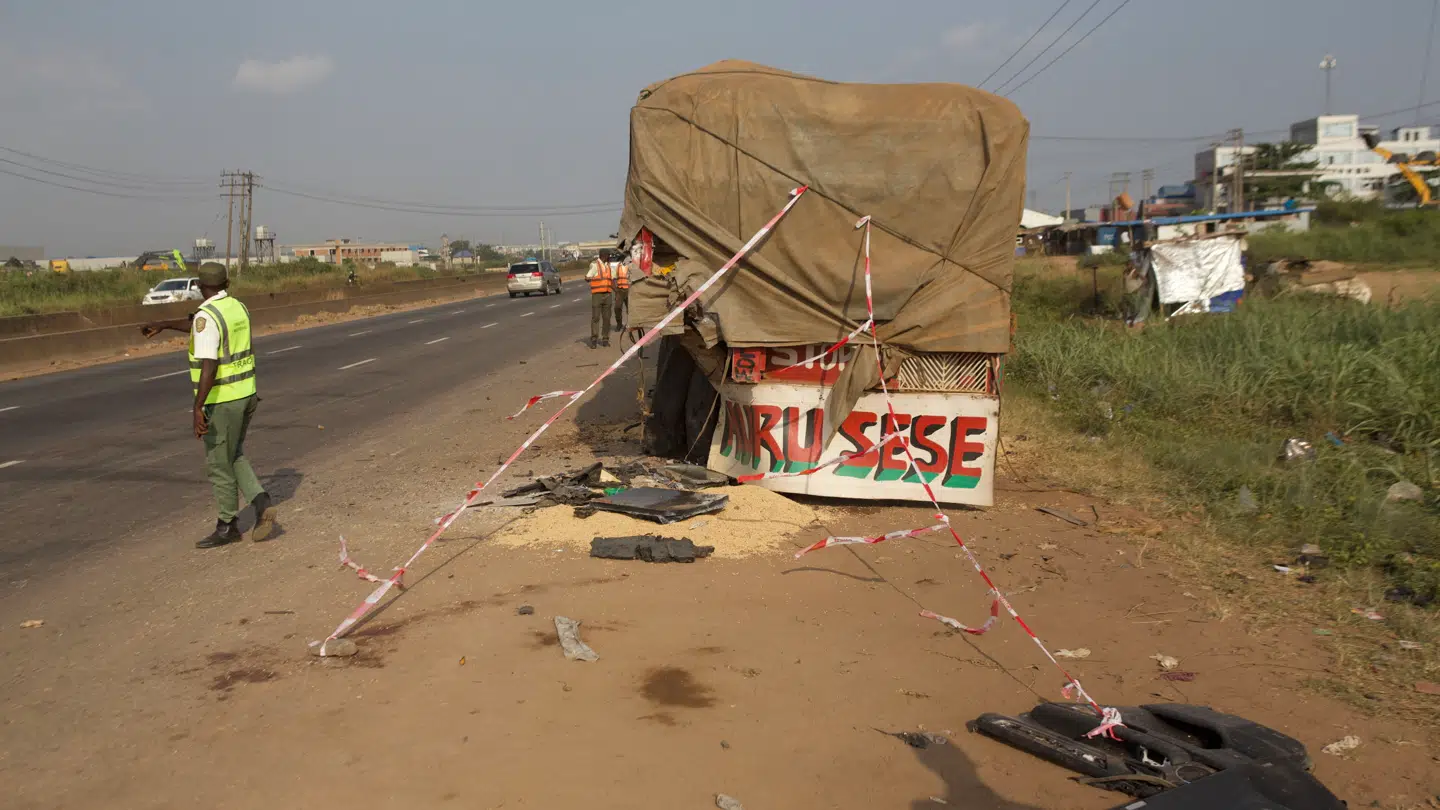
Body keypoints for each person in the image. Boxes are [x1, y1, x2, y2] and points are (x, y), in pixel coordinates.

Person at [141, 263, 274, 548]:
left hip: (223, 400)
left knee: (218, 463)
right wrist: (165, 325)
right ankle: (261, 501)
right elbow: (202, 328)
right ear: (226, 283)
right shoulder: (237, 307)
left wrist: (197, 407)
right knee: (233, 453)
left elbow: (209, 364)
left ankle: (227, 526)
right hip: (247, 394)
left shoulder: (207, 316)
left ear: (200, 287)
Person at [585, 250, 615, 348]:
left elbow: (611, 280)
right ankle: (594, 339)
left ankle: (605, 339)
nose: (610, 257)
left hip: (607, 294)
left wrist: (617, 292)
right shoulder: (595, 265)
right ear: (604, 256)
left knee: (607, 318)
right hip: (597, 295)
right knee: (596, 317)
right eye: (608, 255)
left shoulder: (608, 266)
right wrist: (589, 278)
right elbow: (587, 277)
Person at [612, 256, 630, 332]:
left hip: (629, 289)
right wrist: (615, 289)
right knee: (617, 307)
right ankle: (619, 324)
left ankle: (631, 324)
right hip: (620, 290)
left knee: (630, 308)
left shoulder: (630, 265)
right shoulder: (617, 266)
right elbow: (613, 278)